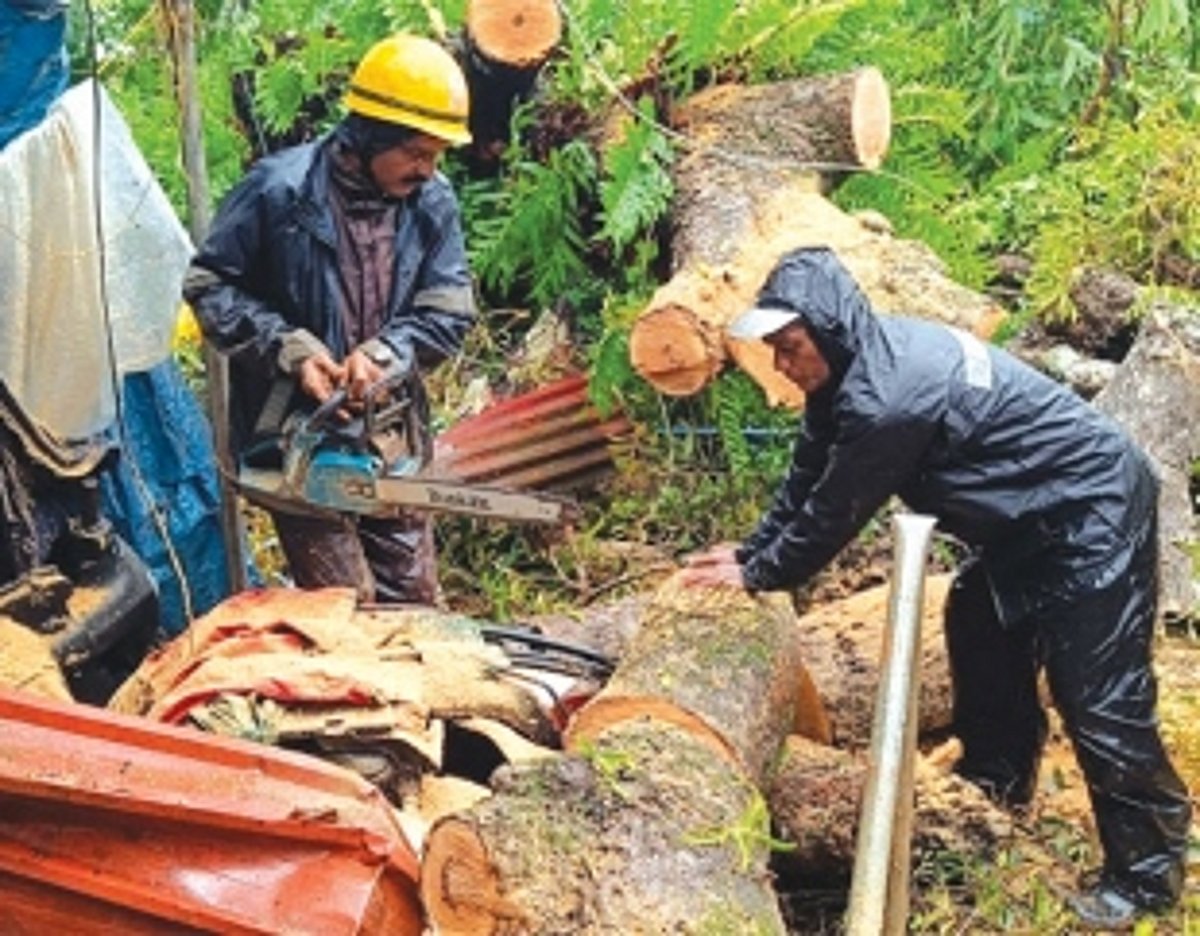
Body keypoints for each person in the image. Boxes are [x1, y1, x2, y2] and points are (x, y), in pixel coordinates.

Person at [682, 246, 1191, 928]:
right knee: (978, 623)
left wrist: (761, 573)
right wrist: (749, 553)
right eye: (774, 347)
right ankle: (996, 787)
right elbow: (806, 477)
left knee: (1097, 695)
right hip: (1031, 519)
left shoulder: (888, 400)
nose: (781, 363)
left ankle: (1146, 875)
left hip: (1091, 509)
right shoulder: (852, 372)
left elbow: (837, 509)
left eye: (790, 345)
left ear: (828, 331)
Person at [184, 33, 477, 605]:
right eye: (416, 153)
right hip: (299, 435)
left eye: (436, 155)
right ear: (369, 135)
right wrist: (290, 351)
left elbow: (449, 310)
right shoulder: (278, 192)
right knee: (347, 608)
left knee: (414, 604)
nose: (427, 169)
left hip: (390, 434)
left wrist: (384, 356)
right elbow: (210, 284)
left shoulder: (432, 202)